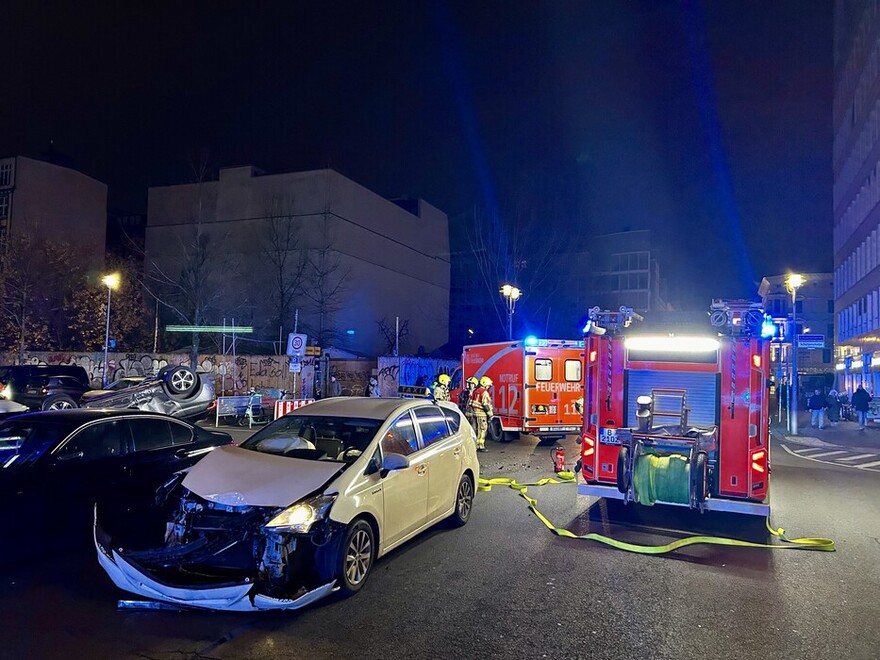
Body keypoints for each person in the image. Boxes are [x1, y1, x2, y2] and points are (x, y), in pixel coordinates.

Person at [470, 376, 494, 452]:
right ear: (485, 384)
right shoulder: (484, 393)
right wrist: (490, 415)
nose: (488, 387)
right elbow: (485, 405)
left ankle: (474, 445)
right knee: (482, 430)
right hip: (481, 414)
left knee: (475, 429)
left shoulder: (475, 391)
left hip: (474, 413)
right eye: (488, 385)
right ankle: (480, 446)